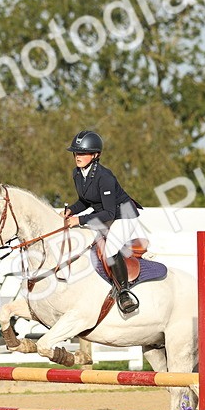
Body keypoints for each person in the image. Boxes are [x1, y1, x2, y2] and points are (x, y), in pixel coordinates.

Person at [62, 129, 145, 314]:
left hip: (123, 216)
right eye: (76, 152)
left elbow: (108, 212)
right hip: (106, 215)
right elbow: (85, 200)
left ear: (95, 155)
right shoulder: (77, 174)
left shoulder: (104, 177)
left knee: (111, 249)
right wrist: (71, 210)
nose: (78, 156)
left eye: (83, 153)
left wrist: (80, 220)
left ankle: (124, 292)